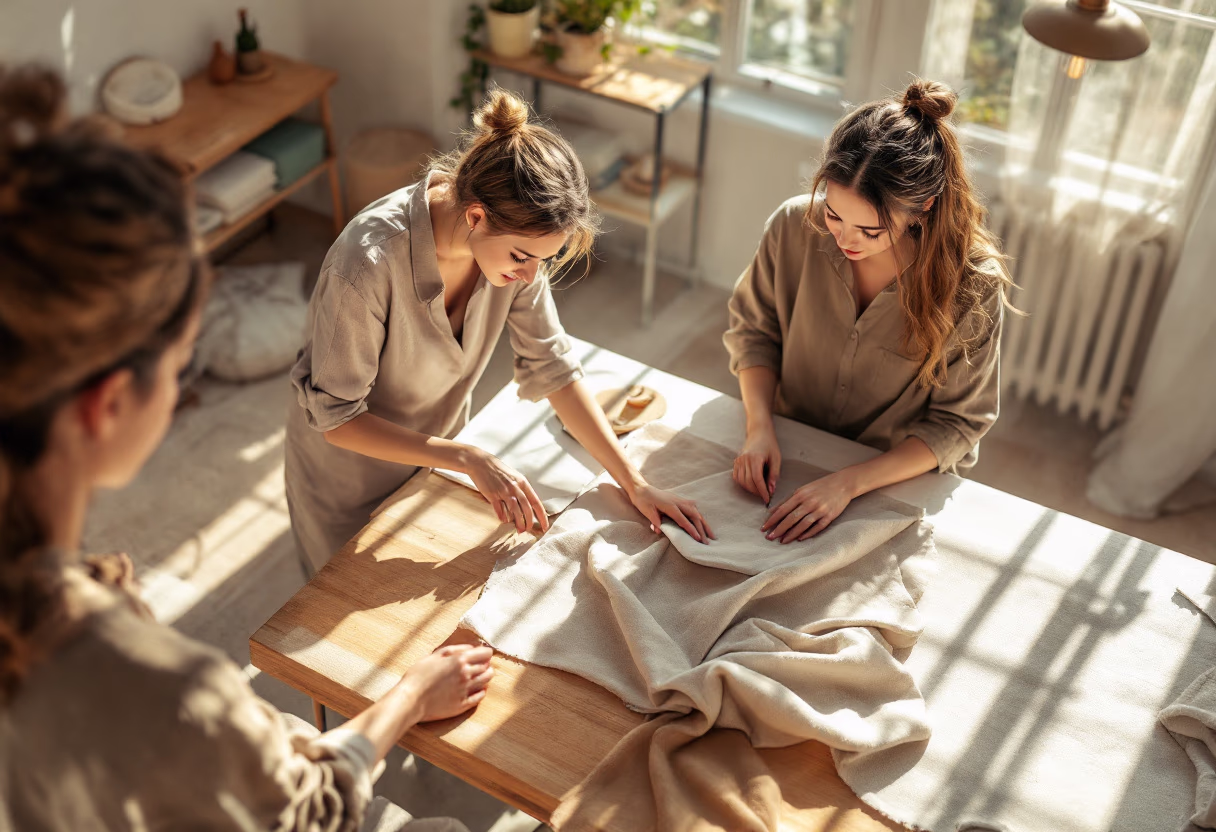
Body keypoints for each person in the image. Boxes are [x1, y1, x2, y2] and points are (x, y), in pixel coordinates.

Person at [0, 64, 491, 832]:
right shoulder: (169, 690)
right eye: (178, 362)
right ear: (107, 404)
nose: (178, 388)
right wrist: (410, 696)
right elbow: (314, 810)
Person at [285, 87, 712, 574]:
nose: (531, 277)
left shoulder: (511, 252)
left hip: (436, 454)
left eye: (543, 260)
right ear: (474, 216)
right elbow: (338, 418)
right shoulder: (365, 264)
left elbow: (552, 365)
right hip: (346, 475)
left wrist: (634, 483)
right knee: (335, 611)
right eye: (523, 258)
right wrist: (467, 456)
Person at [724, 79, 1013, 544]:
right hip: (787, 443)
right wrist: (758, 427)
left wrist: (848, 483)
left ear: (922, 208)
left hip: (890, 479)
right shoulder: (792, 225)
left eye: (870, 230)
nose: (843, 239)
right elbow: (754, 333)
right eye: (835, 215)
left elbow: (958, 423)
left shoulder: (973, 283)